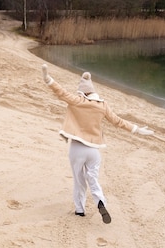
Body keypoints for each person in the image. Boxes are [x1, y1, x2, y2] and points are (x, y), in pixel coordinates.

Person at [41, 64, 153, 224]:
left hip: (77, 147)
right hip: (94, 151)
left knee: (79, 180)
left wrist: (48, 80)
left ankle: (80, 210)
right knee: (92, 177)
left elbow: (62, 93)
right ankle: (100, 201)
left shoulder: (78, 101)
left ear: (82, 92)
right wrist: (137, 129)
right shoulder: (102, 105)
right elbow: (118, 121)